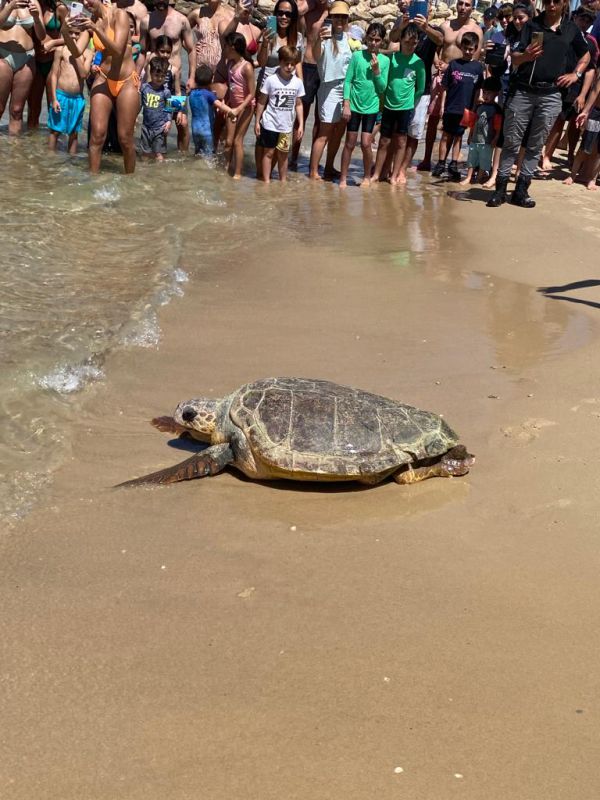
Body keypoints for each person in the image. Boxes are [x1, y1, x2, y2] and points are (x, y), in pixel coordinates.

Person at [487, 0, 590, 208]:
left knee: (535, 145)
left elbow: (586, 56)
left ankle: (521, 190)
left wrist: (575, 74)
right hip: (523, 90)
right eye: (548, 0)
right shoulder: (531, 25)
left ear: (564, 4)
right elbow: (514, 58)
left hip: (551, 94)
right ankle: (500, 189)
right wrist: (526, 56)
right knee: (511, 142)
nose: (551, 4)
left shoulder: (570, 29)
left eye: (557, 1)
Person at [75, 0, 140, 174]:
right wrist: (66, 32)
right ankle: (93, 180)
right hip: (103, 79)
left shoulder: (120, 15)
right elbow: (76, 51)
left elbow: (118, 50)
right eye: (82, 1)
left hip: (126, 81)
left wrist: (96, 29)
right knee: (96, 137)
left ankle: (130, 181)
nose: (86, 2)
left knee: (125, 139)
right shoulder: (92, 20)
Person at [540, 4, 598, 171]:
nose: (584, 22)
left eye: (588, 20)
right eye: (582, 18)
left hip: (578, 88)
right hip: (558, 84)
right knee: (556, 122)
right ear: (574, 17)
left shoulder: (591, 42)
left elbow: (590, 70)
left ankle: (570, 154)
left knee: (574, 125)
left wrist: (583, 95)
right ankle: (546, 155)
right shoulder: (563, 34)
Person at [390, 2, 443, 176]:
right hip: (399, 87)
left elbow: (440, 40)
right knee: (395, 130)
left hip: (422, 89)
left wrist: (426, 27)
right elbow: (392, 38)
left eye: (423, 6)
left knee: (414, 132)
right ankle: (388, 168)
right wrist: (401, 25)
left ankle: (402, 170)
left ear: (429, 10)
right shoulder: (406, 26)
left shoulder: (433, 30)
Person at [372, 22, 426, 185]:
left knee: (401, 141)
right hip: (388, 106)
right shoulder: (392, 58)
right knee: (384, 141)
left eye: (414, 42)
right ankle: (376, 173)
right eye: (407, 41)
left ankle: (394, 176)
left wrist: (409, 101)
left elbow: (420, 88)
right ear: (401, 40)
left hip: (406, 108)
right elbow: (384, 81)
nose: (410, 45)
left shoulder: (419, 63)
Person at [339, 21, 388, 187]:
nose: (373, 43)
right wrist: (346, 103)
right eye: (371, 39)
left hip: (371, 107)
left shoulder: (384, 61)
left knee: (366, 143)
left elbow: (382, 88)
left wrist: (376, 72)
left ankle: (367, 176)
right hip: (353, 106)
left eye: (377, 40)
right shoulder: (357, 56)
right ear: (366, 38)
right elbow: (348, 81)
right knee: (350, 143)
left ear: (382, 41)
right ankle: (343, 178)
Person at [256, 0, 303, 173]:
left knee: (281, 136)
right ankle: (260, 175)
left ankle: (269, 171)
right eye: (280, 12)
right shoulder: (267, 33)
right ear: (275, 14)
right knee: (262, 136)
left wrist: (300, 90)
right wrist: (266, 43)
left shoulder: (297, 38)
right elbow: (261, 63)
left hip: (288, 91)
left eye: (288, 14)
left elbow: (298, 64)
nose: (283, 16)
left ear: (293, 17)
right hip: (266, 88)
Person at [308, 1, 353, 181]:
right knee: (324, 132)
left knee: (338, 132)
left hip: (346, 90)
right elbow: (316, 54)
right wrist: (319, 38)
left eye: (343, 16)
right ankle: (313, 171)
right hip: (329, 88)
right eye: (336, 16)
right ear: (331, 18)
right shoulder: (325, 36)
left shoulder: (350, 39)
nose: (340, 20)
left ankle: (328, 167)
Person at [431, 31, 483, 180]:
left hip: (467, 109)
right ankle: (441, 163)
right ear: (461, 47)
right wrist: (442, 106)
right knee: (446, 135)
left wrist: (474, 108)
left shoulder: (477, 68)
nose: (467, 51)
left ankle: (453, 164)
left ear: (475, 49)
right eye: (465, 48)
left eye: (471, 49)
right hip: (450, 107)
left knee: (459, 136)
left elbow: (478, 89)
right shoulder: (454, 64)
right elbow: (445, 88)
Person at [254, 44, 304, 182]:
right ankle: (266, 181)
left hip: (286, 126)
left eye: (292, 64)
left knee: (283, 155)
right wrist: (257, 121)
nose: (289, 67)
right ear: (280, 62)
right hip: (270, 123)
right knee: (268, 153)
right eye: (286, 63)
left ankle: (283, 181)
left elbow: (298, 104)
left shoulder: (298, 83)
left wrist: (300, 125)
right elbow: (262, 101)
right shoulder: (271, 80)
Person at [289, 0, 328, 169]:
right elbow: (292, 15)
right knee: (301, 115)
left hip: (327, 69)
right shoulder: (308, 11)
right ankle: (294, 157)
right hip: (308, 66)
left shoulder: (334, 13)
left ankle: (314, 159)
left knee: (321, 117)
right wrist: (308, 5)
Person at [0, 0, 46, 135]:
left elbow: (41, 36)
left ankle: (14, 153)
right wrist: (10, 7)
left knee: (17, 110)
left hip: (27, 58)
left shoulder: (33, 2)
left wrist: (37, 17)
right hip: (3, 56)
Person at [47, 23, 91, 153]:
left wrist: (76, 55)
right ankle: (50, 157)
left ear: (84, 35)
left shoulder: (88, 53)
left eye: (77, 33)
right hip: (61, 96)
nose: (73, 36)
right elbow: (54, 75)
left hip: (77, 99)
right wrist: (54, 99)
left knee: (74, 133)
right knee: (55, 131)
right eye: (70, 32)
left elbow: (84, 74)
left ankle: (72, 161)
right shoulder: (60, 50)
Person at [223, 31, 255, 178]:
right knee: (228, 141)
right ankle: (225, 168)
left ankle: (238, 173)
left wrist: (238, 109)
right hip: (232, 107)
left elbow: (251, 93)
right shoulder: (230, 63)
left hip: (246, 108)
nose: (224, 49)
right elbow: (232, 86)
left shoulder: (246, 67)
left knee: (237, 141)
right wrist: (227, 102)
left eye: (226, 46)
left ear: (233, 47)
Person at [459, 76, 503, 185]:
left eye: (489, 94)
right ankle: (469, 177)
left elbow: (498, 127)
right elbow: (473, 123)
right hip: (475, 139)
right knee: (471, 159)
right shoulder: (478, 107)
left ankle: (479, 177)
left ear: (496, 94)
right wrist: (469, 136)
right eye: (485, 93)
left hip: (487, 142)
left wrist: (495, 139)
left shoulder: (497, 110)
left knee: (484, 161)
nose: (486, 96)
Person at [27, 0, 64, 128]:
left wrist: (53, 43)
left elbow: (73, 36)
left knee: (53, 107)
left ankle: (53, 145)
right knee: (33, 110)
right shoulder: (29, 6)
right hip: (35, 61)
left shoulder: (60, 9)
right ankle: (30, 144)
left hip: (53, 62)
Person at [188, 0, 233, 100]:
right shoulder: (197, 14)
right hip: (200, 69)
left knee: (219, 108)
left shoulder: (231, 16)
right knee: (199, 106)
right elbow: (182, 34)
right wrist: (191, 48)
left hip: (221, 70)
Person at [188, 62, 234, 155]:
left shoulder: (192, 94)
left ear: (196, 80)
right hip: (206, 131)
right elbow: (220, 105)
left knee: (198, 152)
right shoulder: (209, 95)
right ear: (212, 79)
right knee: (209, 155)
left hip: (195, 130)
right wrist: (231, 111)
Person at [565, 69, 600, 189]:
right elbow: (595, 91)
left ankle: (592, 179)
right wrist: (585, 111)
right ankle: (572, 175)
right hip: (597, 113)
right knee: (586, 146)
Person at [140, 55, 171, 161]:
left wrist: (169, 121)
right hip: (146, 127)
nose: (159, 78)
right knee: (145, 153)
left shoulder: (166, 92)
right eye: (157, 75)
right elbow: (139, 105)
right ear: (151, 73)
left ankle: (161, 172)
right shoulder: (144, 88)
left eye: (162, 76)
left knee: (159, 153)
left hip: (159, 128)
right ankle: (144, 173)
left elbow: (169, 108)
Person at [417, 57, 446, 170]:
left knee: (450, 125)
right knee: (432, 121)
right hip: (438, 76)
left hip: (455, 75)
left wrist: (450, 66)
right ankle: (426, 159)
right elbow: (434, 45)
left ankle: (443, 162)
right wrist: (437, 60)